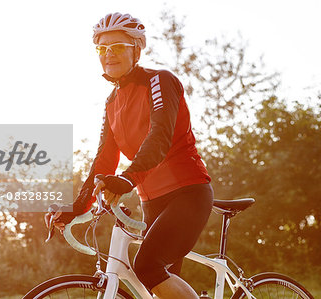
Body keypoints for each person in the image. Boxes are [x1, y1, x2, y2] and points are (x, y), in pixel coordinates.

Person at [45, 12, 213, 299]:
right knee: (159, 282)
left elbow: (159, 137)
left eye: (118, 46)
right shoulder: (112, 102)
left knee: (146, 268)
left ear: (136, 48)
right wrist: (76, 206)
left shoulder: (160, 81)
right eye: (102, 48)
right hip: (152, 202)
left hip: (187, 193)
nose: (109, 55)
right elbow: (103, 161)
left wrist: (126, 179)